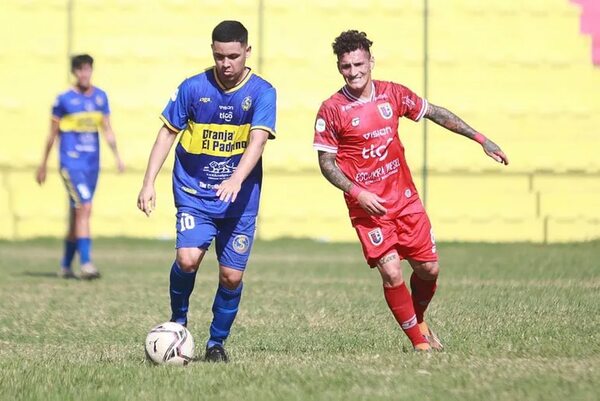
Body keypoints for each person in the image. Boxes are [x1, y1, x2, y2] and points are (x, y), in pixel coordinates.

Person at [313, 30, 508, 352]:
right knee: (391, 272)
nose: (354, 72)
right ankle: (420, 345)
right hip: (368, 208)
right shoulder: (331, 109)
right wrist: (358, 192)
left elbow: (436, 113)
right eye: (346, 66)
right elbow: (326, 163)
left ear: (371, 61)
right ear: (339, 67)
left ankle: (418, 320)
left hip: (405, 201)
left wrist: (481, 139)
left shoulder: (393, 94)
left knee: (429, 269)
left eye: (359, 64)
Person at [137, 20, 277, 363]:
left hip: (239, 199)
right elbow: (167, 134)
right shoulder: (192, 87)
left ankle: (216, 343)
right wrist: (148, 181)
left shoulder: (262, 92)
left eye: (232, 56)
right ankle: (178, 322)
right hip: (194, 193)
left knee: (231, 276)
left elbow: (257, 141)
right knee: (187, 259)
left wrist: (236, 179)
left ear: (247, 51)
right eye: (219, 56)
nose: (225, 64)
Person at [36, 54, 125, 280]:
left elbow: (107, 129)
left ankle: (65, 266)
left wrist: (117, 157)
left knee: (78, 214)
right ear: (74, 73)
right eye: (80, 70)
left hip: (91, 164)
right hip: (70, 163)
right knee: (85, 208)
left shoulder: (100, 97)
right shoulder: (64, 99)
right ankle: (86, 264)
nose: (85, 74)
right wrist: (43, 164)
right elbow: (52, 134)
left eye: (88, 70)